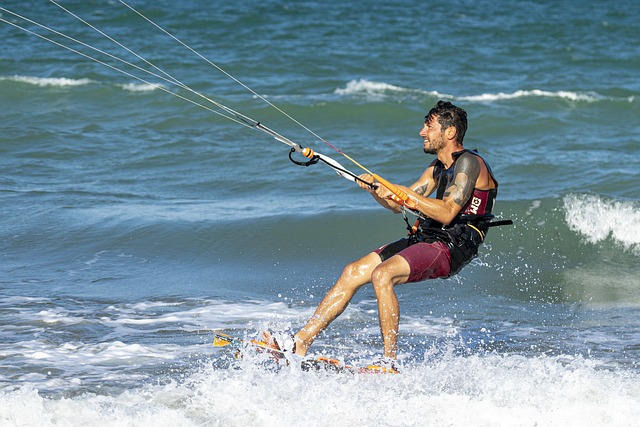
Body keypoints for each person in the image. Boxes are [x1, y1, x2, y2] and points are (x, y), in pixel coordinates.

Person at [267, 100, 501, 370]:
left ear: (449, 133)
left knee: (383, 274)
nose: (422, 132)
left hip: (453, 245)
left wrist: (406, 193)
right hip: (428, 239)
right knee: (353, 271)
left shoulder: (470, 163)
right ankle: (300, 342)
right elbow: (398, 205)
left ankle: (388, 362)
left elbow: (448, 212)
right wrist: (375, 189)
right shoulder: (436, 169)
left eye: (429, 127)